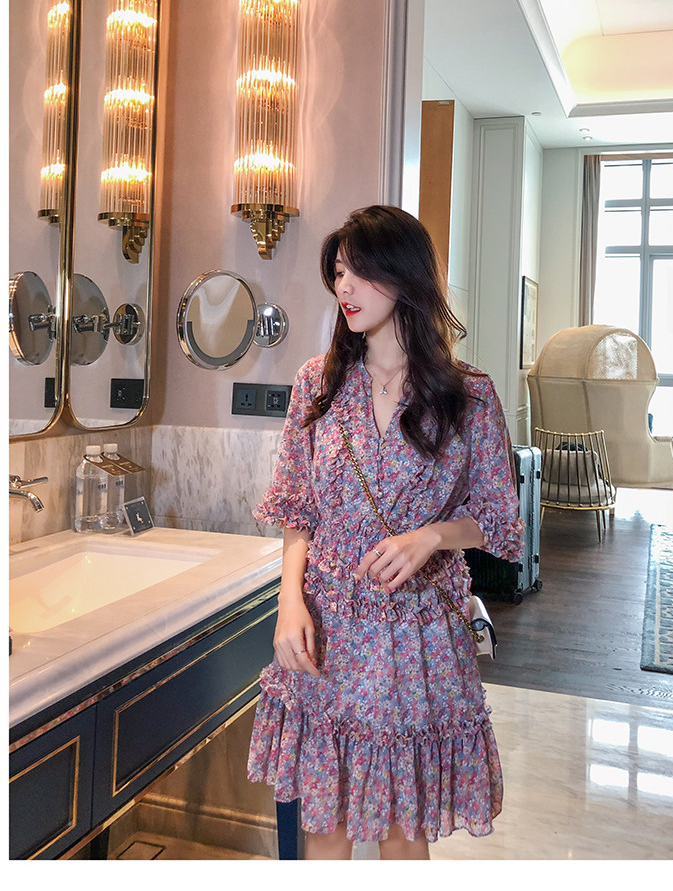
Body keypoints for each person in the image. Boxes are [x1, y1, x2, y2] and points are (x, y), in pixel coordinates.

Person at [247, 205, 523, 860]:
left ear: (404, 276)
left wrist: (432, 537)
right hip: (329, 626)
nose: (343, 287)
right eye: (338, 273)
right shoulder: (317, 384)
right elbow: (298, 510)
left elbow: (499, 521)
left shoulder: (469, 397)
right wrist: (289, 603)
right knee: (327, 825)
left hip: (417, 637)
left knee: (404, 831)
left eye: (359, 272)